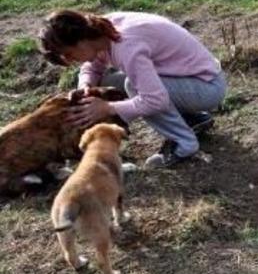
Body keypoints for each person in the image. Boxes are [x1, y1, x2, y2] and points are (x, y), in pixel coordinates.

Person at [39, 10, 227, 168]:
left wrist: (108, 108)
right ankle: (190, 119)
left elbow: (155, 100)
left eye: (69, 54)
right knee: (108, 80)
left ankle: (184, 143)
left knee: (134, 87)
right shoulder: (99, 31)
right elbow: (92, 67)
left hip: (207, 87)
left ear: (80, 40)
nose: (71, 61)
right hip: (186, 78)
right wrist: (85, 86)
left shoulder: (126, 46)